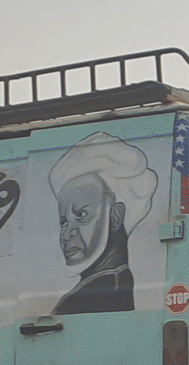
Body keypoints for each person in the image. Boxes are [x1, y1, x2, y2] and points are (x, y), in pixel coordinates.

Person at [51, 131, 158, 314]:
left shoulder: (96, 296)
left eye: (81, 215)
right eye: (63, 222)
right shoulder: (108, 286)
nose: (66, 235)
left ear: (115, 216)